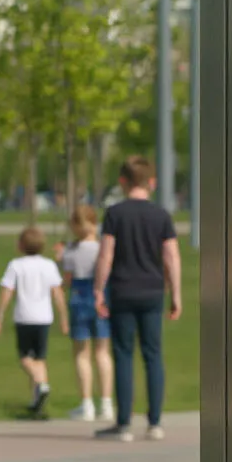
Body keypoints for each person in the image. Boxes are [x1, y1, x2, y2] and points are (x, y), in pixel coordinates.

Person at [93, 156, 180, 441]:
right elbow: (171, 256)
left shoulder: (115, 214)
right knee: (153, 355)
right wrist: (175, 293)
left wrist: (98, 288)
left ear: (122, 182)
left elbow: (106, 253)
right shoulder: (161, 215)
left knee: (123, 355)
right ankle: (155, 422)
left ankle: (124, 424)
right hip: (152, 291)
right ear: (151, 183)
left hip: (122, 291)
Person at [0, 224, 66, 418]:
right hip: (44, 317)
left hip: (24, 317)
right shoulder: (48, 265)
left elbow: (7, 291)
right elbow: (57, 292)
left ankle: (41, 386)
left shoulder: (16, 265)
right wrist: (63, 316)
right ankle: (37, 400)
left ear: (21, 246)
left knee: (25, 357)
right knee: (39, 359)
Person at [59, 203, 115, 423]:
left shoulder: (71, 251)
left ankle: (86, 403)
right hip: (101, 297)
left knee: (81, 352)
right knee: (102, 352)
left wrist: (59, 258)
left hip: (79, 298)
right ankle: (107, 402)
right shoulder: (103, 248)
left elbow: (67, 278)